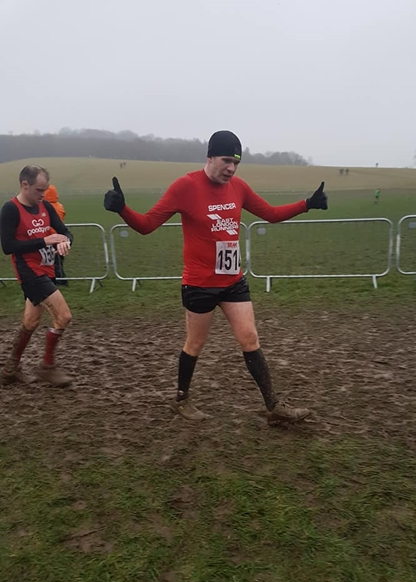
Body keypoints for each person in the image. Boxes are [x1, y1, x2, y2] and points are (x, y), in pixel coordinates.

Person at [104, 131, 328, 425]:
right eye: (226, 161)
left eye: (236, 163)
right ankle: (181, 399)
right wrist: (122, 209)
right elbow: (147, 225)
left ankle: (273, 406)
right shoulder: (185, 187)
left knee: (250, 338)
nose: (232, 168)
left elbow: (271, 214)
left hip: (232, 281)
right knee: (194, 344)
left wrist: (307, 204)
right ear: (210, 157)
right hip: (199, 285)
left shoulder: (239, 187)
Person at [0, 165, 73, 386]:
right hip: (29, 272)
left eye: (45, 190)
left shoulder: (45, 207)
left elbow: (64, 231)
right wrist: (44, 241)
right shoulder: (11, 209)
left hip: (47, 269)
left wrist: (65, 242)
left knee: (31, 321)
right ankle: (47, 366)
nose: (43, 195)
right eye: (39, 190)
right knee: (64, 316)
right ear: (25, 185)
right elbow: (8, 246)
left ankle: (10, 370)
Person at [44, 184, 68, 285]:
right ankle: (60, 279)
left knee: (52, 260)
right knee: (58, 259)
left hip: (50, 237)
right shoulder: (59, 206)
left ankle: (60, 280)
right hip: (59, 236)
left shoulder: (45, 207)